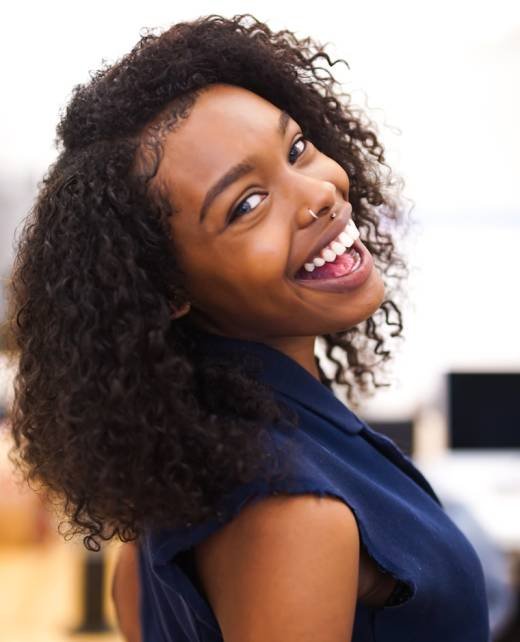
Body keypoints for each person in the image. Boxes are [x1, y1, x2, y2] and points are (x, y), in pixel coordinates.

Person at [6, 13, 492, 642]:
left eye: (296, 149)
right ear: (169, 287)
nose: (317, 193)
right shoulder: (290, 510)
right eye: (247, 204)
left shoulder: (191, 460)